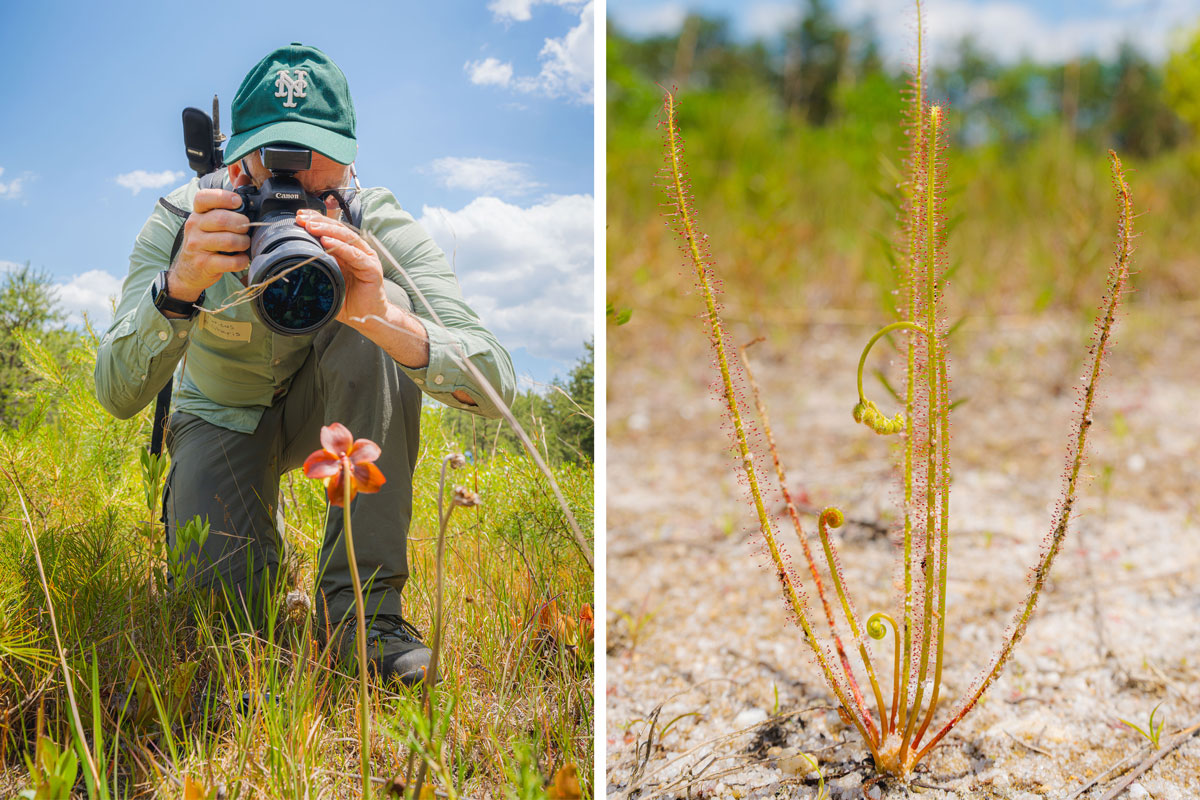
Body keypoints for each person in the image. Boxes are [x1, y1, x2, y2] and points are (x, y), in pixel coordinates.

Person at [94, 43, 516, 685]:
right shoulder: (186, 218)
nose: (291, 202)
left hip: (331, 405)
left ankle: (363, 617)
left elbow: (498, 385)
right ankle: (266, 563)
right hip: (220, 415)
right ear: (235, 162)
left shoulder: (374, 217)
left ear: (350, 166)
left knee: (387, 311)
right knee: (227, 621)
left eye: (316, 187)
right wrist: (177, 288)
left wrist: (379, 314)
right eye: (272, 178)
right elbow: (116, 391)